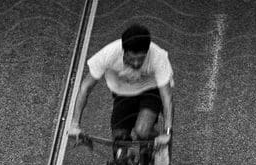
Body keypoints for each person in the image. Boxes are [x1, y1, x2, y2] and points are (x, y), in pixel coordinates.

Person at [67, 20, 175, 155]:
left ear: (147, 52)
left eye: (140, 59)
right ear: (124, 51)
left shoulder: (158, 56)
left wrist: (167, 131)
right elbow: (85, 88)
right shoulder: (109, 54)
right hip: (123, 94)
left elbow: (167, 97)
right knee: (120, 140)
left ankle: (155, 141)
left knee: (142, 130)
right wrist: (74, 125)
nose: (136, 63)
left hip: (151, 91)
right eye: (131, 58)